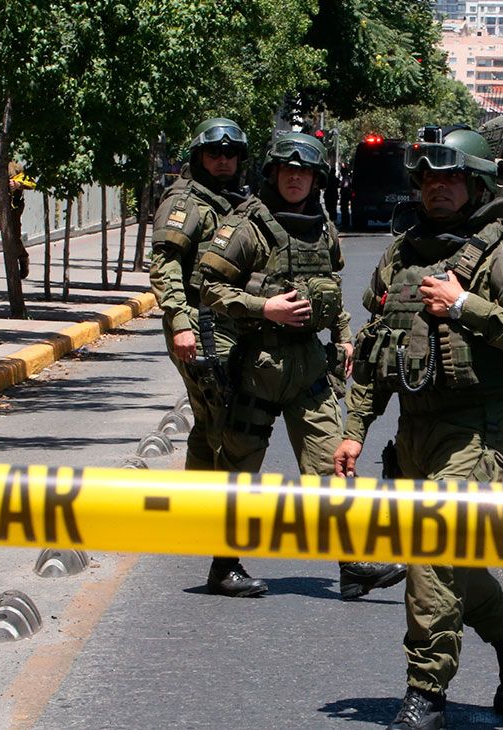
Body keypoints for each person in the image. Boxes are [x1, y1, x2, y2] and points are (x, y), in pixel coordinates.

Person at [333, 128, 503, 730]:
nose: (439, 187)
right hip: (414, 434)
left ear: (479, 183)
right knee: (447, 559)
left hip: (476, 433)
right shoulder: (403, 253)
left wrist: (465, 307)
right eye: (430, 177)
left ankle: (425, 693)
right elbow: (380, 347)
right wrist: (355, 429)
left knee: (432, 558)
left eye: (452, 177)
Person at [198, 132, 406, 601]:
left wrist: (345, 337)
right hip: (258, 364)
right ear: (273, 173)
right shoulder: (247, 226)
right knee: (238, 472)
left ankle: (352, 565)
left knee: (333, 464)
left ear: (315, 178)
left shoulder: (323, 226)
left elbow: (330, 288)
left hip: (309, 365)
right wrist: (262, 307)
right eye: (287, 170)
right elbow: (208, 288)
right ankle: (223, 565)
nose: (295, 178)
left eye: (304, 171)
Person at [149, 117, 266, 597]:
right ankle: (224, 560)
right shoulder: (186, 202)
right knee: (228, 433)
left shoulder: (234, 202)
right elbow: (165, 265)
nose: (223, 160)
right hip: (203, 329)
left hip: (233, 327)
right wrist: (179, 322)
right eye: (215, 153)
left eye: (231, 153)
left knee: (209, 426)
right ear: (199, 157)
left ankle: (193, 517)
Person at [0, 161, 30, 280]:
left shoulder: (16, 166)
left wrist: (18, 184)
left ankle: (23, 259)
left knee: (13, 238)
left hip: (12, 207)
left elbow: (30, 183)